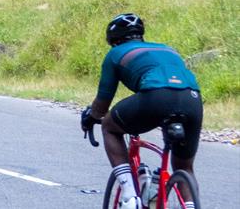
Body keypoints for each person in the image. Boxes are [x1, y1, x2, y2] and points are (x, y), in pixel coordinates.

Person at [80, 13, 202, 209]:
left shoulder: (115, 54)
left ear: (113, 40)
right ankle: (190, 205)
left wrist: (91, 118)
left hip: (156, 96)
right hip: (192, 99)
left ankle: (129, 196)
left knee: (110, 125)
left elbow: (103, 102)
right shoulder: (168, 49)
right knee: (184, 166)